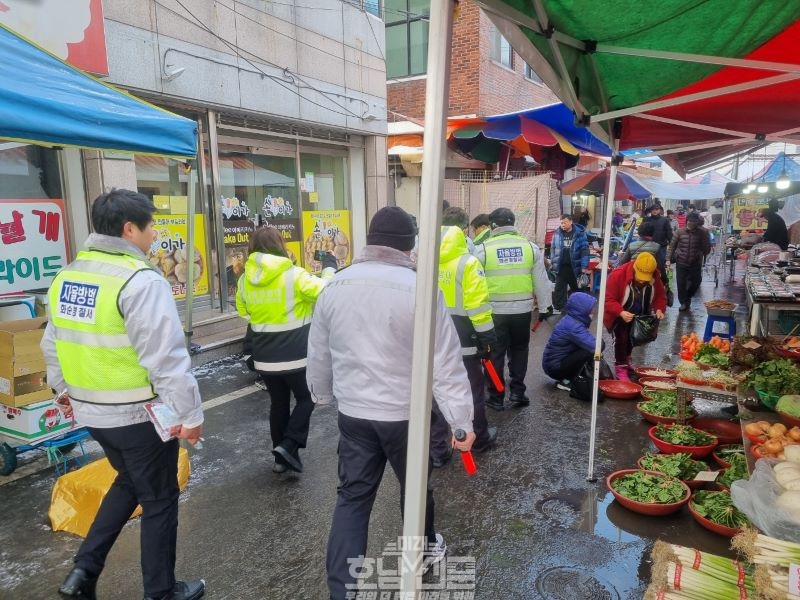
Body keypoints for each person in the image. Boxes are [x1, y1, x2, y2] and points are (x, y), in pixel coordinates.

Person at [41, 190, 205, 600]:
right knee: (160, 498)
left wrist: (63, 389)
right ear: (130, 229)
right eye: (150, 227)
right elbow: (165, 358)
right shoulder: (139, 280)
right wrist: (191, 413)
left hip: (93, 414)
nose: (154, 236)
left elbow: (52, 342)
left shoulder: (70, 274)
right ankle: (161, 592)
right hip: (138, 417)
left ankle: (83, 573)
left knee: (129, 483)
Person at [306, 206, 475, 600]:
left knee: (352, 499)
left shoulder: (334, 285)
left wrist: (322, 394)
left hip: (354, 414)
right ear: (410, 245)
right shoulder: (420, 288)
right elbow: (445, 364)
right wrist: (461, 422)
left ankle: (342, 592)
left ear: (370, 239)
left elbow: (319, 351)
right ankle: (425, 552)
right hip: (406, 416)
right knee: (415, 489)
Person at [237, 227, 335, 474]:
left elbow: (244, 310)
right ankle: (289, 444)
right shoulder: (294, 275)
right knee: (308, 397)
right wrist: (329, 268)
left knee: (278, 404)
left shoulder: (244, 280)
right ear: (279, 245)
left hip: (264, 358)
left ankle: (281, 458)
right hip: (296, 355)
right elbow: (327, 291)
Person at [430, 212, 498, 467]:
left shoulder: (426, 262)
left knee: (436, 394)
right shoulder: (468, 264)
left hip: (433, 342)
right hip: (464, 341)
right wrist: (487, 339)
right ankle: (478, 438)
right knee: (471, 391)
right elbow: (478, 307)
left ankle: (438, 450)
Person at [475, 207, 552, 410]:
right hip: (522, 311)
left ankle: (497, 395)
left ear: (493, 225)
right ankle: (518, 392)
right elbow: (542, 281)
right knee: (519, 351)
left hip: (494, 314)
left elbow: (475, 284)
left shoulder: (483, 249)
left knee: (494, 354)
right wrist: (545, 307)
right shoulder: (529, 247)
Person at [603, 252, 666, 380]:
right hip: (619, 315)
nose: (643, 280)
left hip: (639, 314)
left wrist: (659, 309)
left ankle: (626, 362)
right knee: (621, 339)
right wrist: (620, 312)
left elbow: (660, 296)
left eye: (646, 278)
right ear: (635, 267)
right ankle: (620, 367)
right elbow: (608, 299)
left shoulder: (655, 277)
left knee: (632, 339)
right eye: (640, 276)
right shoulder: (618, 274)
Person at [542, 291, 599, 391]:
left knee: (587, 349)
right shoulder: (573, 326)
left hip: (554, 363)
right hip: (555, 368)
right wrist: (600, 342)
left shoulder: (572, 320)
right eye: (590, 310)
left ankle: (576, 375)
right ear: (581, 310)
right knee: (589, 350)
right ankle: (566, 381)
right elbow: (595, 346)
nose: (592, 312)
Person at [667, 212, 711, 312]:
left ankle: (688, 297)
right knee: (681, 283)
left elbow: (706, 250)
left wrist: (705, 237)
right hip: (681, 261)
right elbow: (671, 247)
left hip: (695, 262)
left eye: (694, 221)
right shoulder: (679, 232)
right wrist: (668, 259)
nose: (692, 223)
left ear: (697, 222)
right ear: (687, 221)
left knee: (697, 281)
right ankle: (683, 302)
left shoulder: (702, 233)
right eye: (690, 221)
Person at [549, 213, 591, 312]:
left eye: (565, 222)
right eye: (561, 223)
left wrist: (584, 265)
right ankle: (559, 308)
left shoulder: (580, 233)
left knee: (577, 289)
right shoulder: (557, 233)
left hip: (575, 267)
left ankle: (579, 309)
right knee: (559, 289)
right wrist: (553, 261)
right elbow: (553, 248)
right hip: (561, 267)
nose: (563, 225)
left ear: (571, 222)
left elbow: (585, 250)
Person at [640, 203, 672, 286]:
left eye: (657, 209)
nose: (655, 211)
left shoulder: (665, 220)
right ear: (651, 210)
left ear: (660, 210)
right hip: (648, 245)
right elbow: (641, 231)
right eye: (653, 209)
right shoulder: (646, 219)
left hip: (661, 246)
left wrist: (672, 244)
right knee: (647, 264)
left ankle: (661, 282)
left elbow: (669, 233)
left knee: (660, 265)